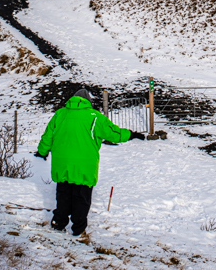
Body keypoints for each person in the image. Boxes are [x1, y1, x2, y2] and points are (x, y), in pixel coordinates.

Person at [34, 89, 146, 237]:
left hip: (62, 163)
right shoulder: (94, 117)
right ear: (88, 101)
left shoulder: (60, 114)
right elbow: (113, 133)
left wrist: (42, 152)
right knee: (81, 197)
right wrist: (131, 134)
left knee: (63, 194)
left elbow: (48, 136)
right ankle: (78, 230)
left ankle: (58, 223)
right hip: (84, 166)